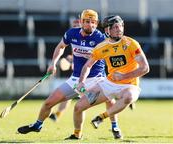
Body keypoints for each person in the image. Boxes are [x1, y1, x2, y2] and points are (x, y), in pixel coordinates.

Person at [17, 9, 122, 139]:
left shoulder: (100, 38)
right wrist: (53, 63)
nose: (91, 25)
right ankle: (38, 125)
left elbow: (111, 53)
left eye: (94, 22)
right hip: (76, 79)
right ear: (81, 22)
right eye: (88, 22)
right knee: (48, 103)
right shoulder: (72, 33)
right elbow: (61, 47)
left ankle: (114, 126)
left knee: (109, 100)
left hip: (96, 79)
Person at [66, 15, 149, 140]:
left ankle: (101, 117)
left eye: (120, 26)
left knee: (129, 97)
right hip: (109, 84)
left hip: (130, 84)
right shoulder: (101, 47)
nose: (119, 29)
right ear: (107, 30)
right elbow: (88, 65)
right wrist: (81, 82)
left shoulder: (131, 44)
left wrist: (124, 76)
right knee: (78, 107)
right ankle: (77, 135)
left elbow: (145, 68)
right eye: (115, 27)